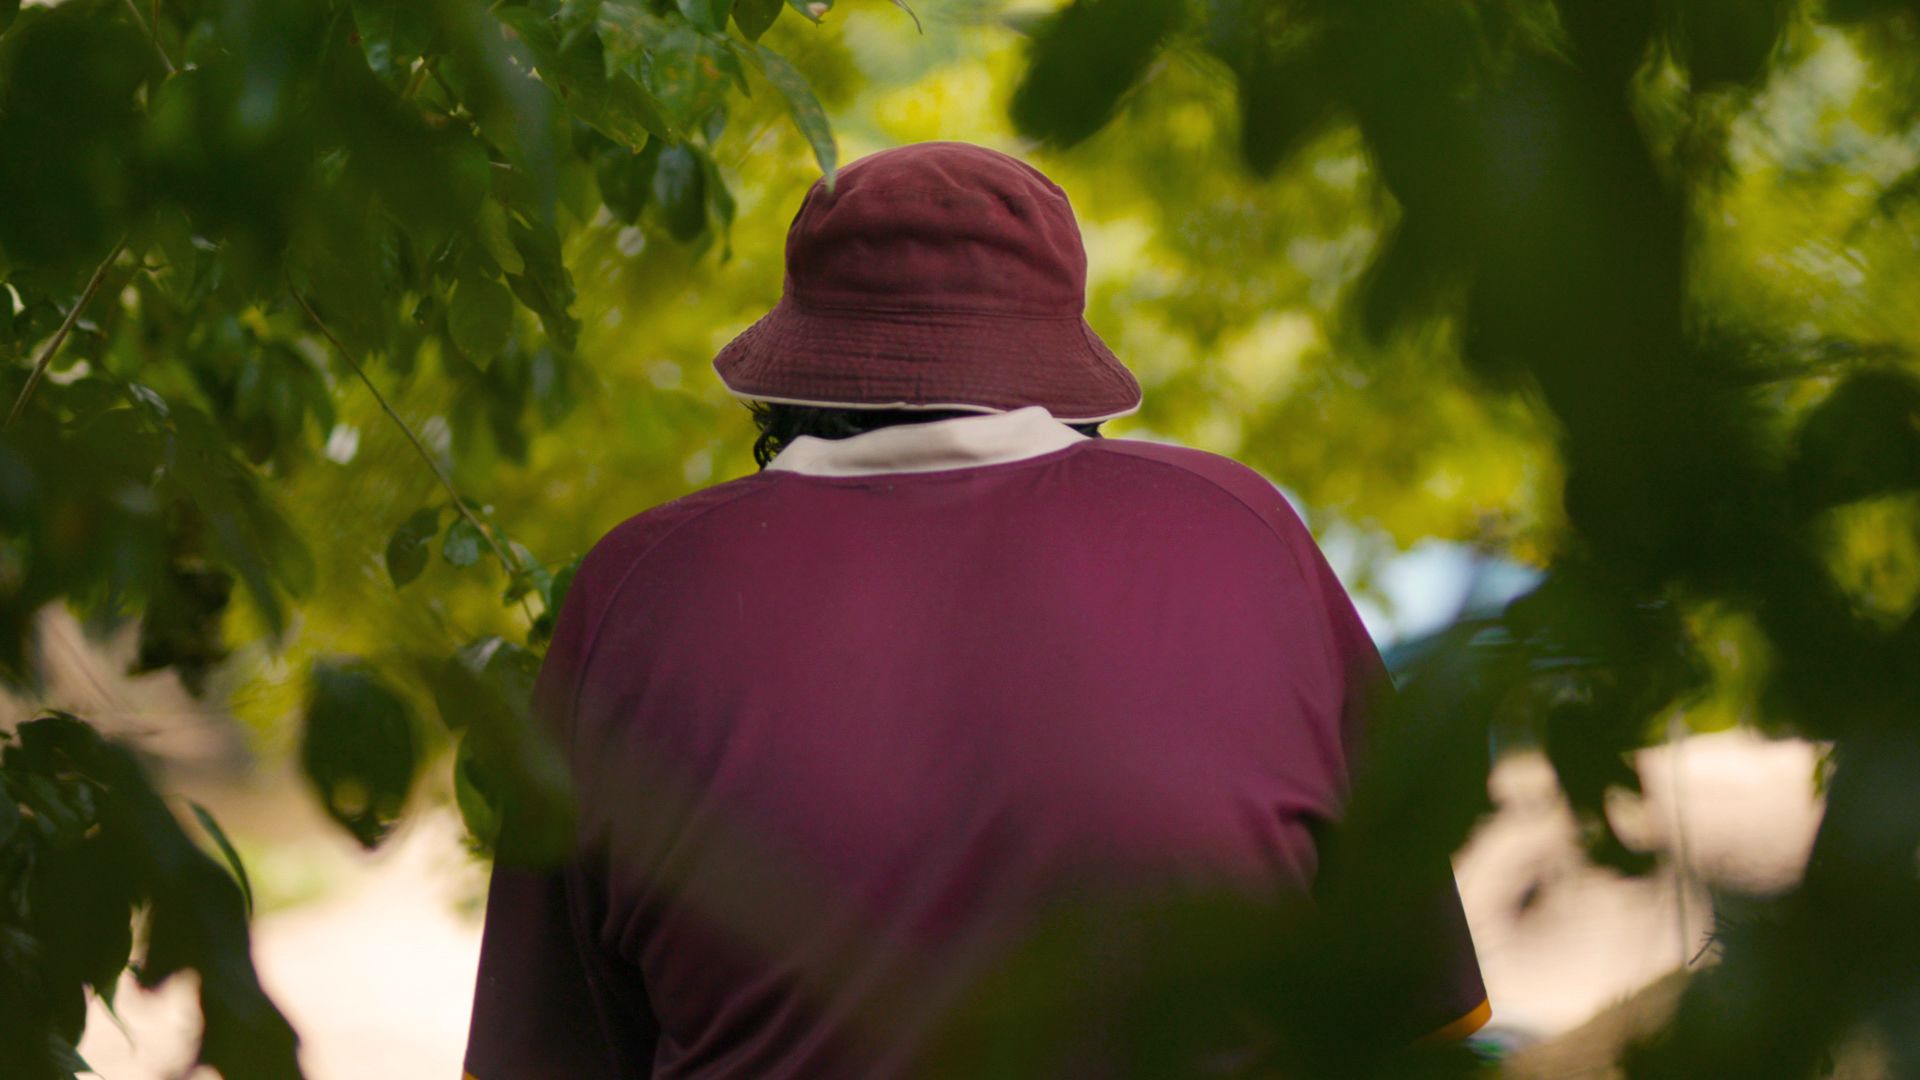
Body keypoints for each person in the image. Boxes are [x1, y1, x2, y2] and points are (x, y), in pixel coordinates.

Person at [462, 140, 1488, 1079]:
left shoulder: (637, 589)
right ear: (1055, 363)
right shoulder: (1248, 534)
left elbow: (553, 1055)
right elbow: (1413, 1013)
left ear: (797, 372)